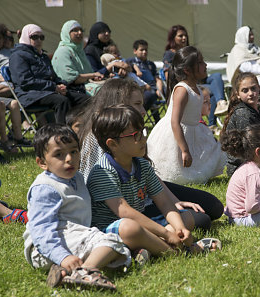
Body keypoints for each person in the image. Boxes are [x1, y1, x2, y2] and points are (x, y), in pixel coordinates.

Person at [78, 78, 223, 227]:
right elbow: (96, 189)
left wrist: (175, 202)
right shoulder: (96, 137)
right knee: (200, 219)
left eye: (142, 104)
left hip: (143, 190)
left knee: (214, 206)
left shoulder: (135, 134)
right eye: (137, 105)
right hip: (125, 206)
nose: (143, 111)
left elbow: (147, 173)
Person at [87, 105, 221, 257]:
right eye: (136, 136)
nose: (144, 139)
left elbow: (164, 202)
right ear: (113, 144)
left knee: (186, 217)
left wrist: (179, 228)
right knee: (130, 229)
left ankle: (149, 248)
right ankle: (181, 252)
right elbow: (125, 212)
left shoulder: (142, 164)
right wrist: (166, 233)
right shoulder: (102, 172)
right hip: (113, 230)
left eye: (143, 132)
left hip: (141, 221)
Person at [23, 124, 132, 291]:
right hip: (46, 249)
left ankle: (64, 273)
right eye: (59, 154)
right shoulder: (46, 188)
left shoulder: (77, 178)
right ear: (42, 162)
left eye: (73, 151)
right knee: (111, 241)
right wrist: (63, 256)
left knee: (112, 244)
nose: (69, 158)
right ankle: (83, 273)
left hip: (73, 237)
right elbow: (41, 231)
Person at [148, 46, 225, 185]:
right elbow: (175, 122)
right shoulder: (182, 90)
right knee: (177, 171)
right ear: (187, 70)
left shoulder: (198, 89)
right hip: (176, 134)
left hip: (193, 130)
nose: (205, 65)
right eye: (200, 63)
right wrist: (184, 149)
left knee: (209, 155)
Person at [9, 24, 89, 124]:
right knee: (62, 101)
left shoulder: (43, 56)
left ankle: (81, 129)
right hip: (29, 94)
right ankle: (61, 134)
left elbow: (53, 77)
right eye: (34, 37)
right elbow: (25, 82)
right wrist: (54, 87)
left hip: (48, 91)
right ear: (26, 36)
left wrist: (62, 85)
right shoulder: (18, 56)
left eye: (41, 37)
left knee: (84, 99)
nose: (39, 40)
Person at [163, 25, 228, 127]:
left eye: (185, 35)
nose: (184, 38)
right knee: (213, 91)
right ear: (173, 38)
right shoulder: (170, 54)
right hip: (189, 82)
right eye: (180, 36)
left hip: (198, 80)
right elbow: (168, 74)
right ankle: (212, 123)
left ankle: (221, 103)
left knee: (216, 76)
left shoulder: (191, 50)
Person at [222, 72, 260, 176]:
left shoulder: (258, 109)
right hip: (240, 167)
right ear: (238, 94)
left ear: (259, 88)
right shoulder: (243, 113)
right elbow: (249, 145)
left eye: (253, 88)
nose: (250, 93)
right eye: (245, 90)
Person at [51, 20, 104, 96]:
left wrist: (94, 78)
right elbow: (71, 78)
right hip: (71, 88)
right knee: (105, 92)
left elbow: (87, 73)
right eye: (75, 30)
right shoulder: (63, 51)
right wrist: (93, 75)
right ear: (67, 33)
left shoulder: (79, 51)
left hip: (84, 84)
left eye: (81, 30)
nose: (79, 33)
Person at [126, 39, 164, 124]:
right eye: (141, 50)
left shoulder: (151, 64)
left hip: (152, 89)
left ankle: (157, 122)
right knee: (148, 96)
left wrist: (159, 90)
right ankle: (138, 118)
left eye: (146, 50)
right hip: (137, 89)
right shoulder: (130, 62)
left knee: (153, 94)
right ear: (135, 51)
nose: (144, 52)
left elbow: (157, 79)